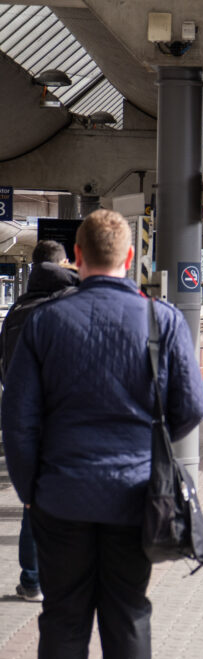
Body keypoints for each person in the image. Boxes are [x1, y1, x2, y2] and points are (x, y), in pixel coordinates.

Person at [1, 209, 203, 659]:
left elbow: (17, 421)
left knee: (63, 619)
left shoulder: (45, 322)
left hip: (59, 496)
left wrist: (31, 491)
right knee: (129, 615)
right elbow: (193, 405)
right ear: (131, 257)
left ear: (77, 256)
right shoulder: (163, 321)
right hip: (136, 499)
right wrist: (150, 446)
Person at [0, 240, 79, 605]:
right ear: (62, 263)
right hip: (62, 417)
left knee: (34, 500)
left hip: (23, 418)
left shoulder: (17, 308)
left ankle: (31, 580)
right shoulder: (68, 305)